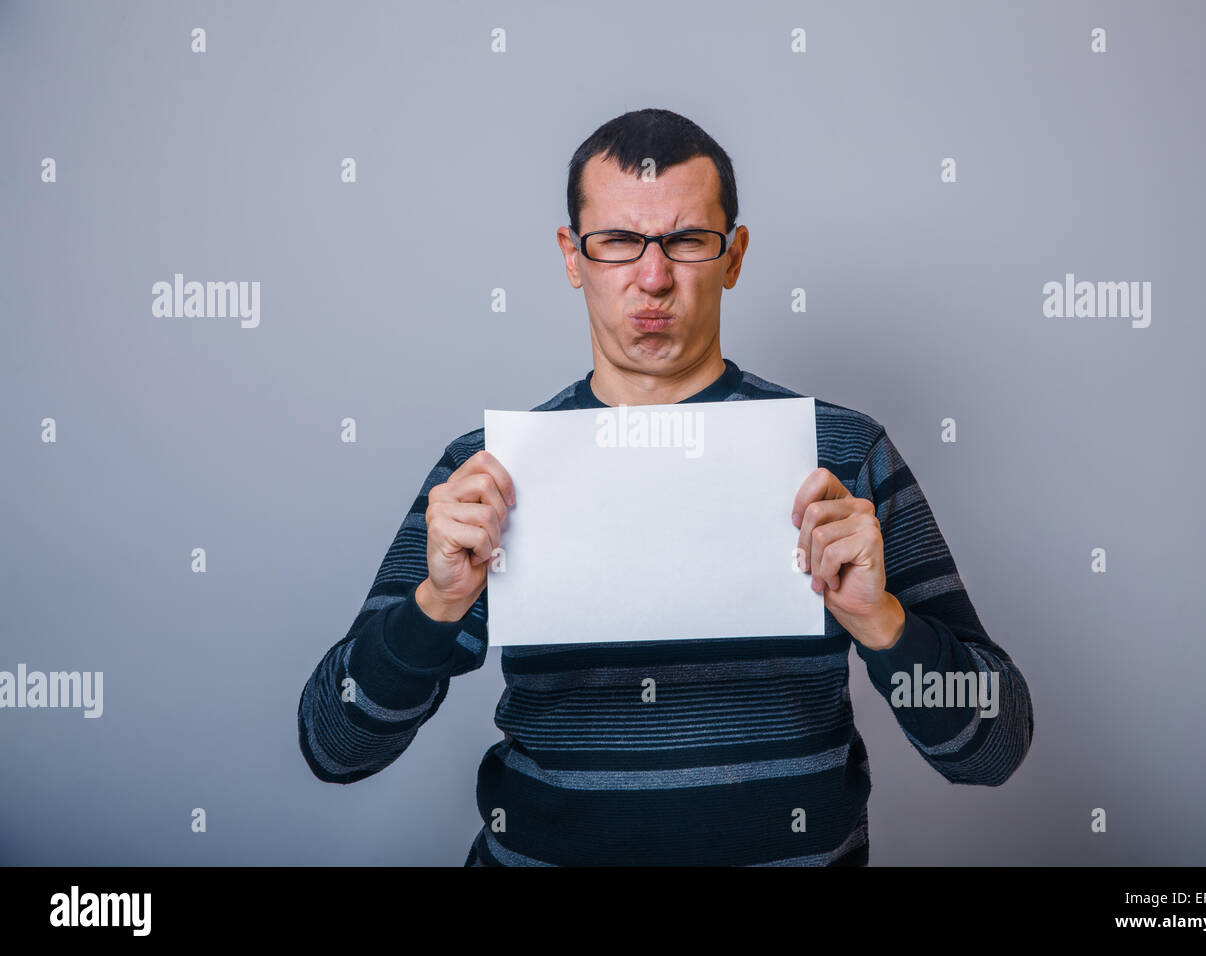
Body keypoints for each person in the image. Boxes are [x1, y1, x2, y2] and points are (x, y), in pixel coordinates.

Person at [297, 107, 1033, 866]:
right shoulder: (488, 472)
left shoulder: (843, 453)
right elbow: (333, 743)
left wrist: (882, 622)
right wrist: (436, 606)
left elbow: (993, 748)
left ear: (735, 255)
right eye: (618, 242)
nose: (653, 279)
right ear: (572, 255)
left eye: (686, 241)